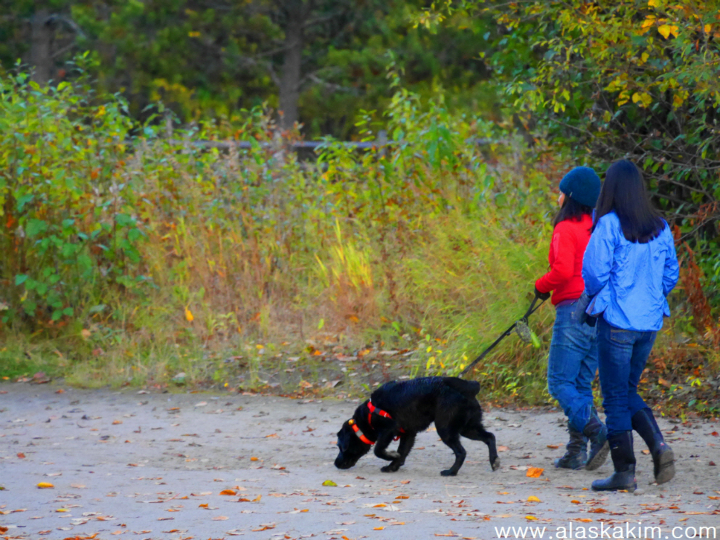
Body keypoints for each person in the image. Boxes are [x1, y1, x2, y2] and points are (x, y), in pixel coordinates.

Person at [581, 160, 679, 492]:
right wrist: (650, 296)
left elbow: (593, 273)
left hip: (617, 322)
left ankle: (625, 472)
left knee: (615, 397)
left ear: (611, 188)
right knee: (627, 390)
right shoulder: (660, 226)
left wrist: (603, 297)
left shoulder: (609, 224)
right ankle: (659, 447)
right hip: (648, 324)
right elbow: (671, 274)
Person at [535, 166, 609, 471]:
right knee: (580, 384)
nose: (558, 196)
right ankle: (576, 452)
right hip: (599, 311)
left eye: (561, 191)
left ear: (571, 196)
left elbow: (563, 271)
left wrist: (541, 285)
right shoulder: (599, 226)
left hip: (573, 310)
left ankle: (597, 431)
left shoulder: (566, 228)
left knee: (559, 382)